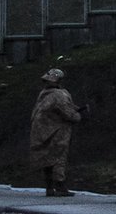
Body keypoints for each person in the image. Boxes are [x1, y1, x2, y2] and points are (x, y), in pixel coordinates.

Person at [29, 67, 85, 195]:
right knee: (59, 157)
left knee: (46, 158)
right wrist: (78, 116)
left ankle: (49, 188)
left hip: (40, 131)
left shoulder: (44, 94)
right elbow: (68, 113)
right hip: (57, 131)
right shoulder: (59, 95)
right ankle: (60, 186)